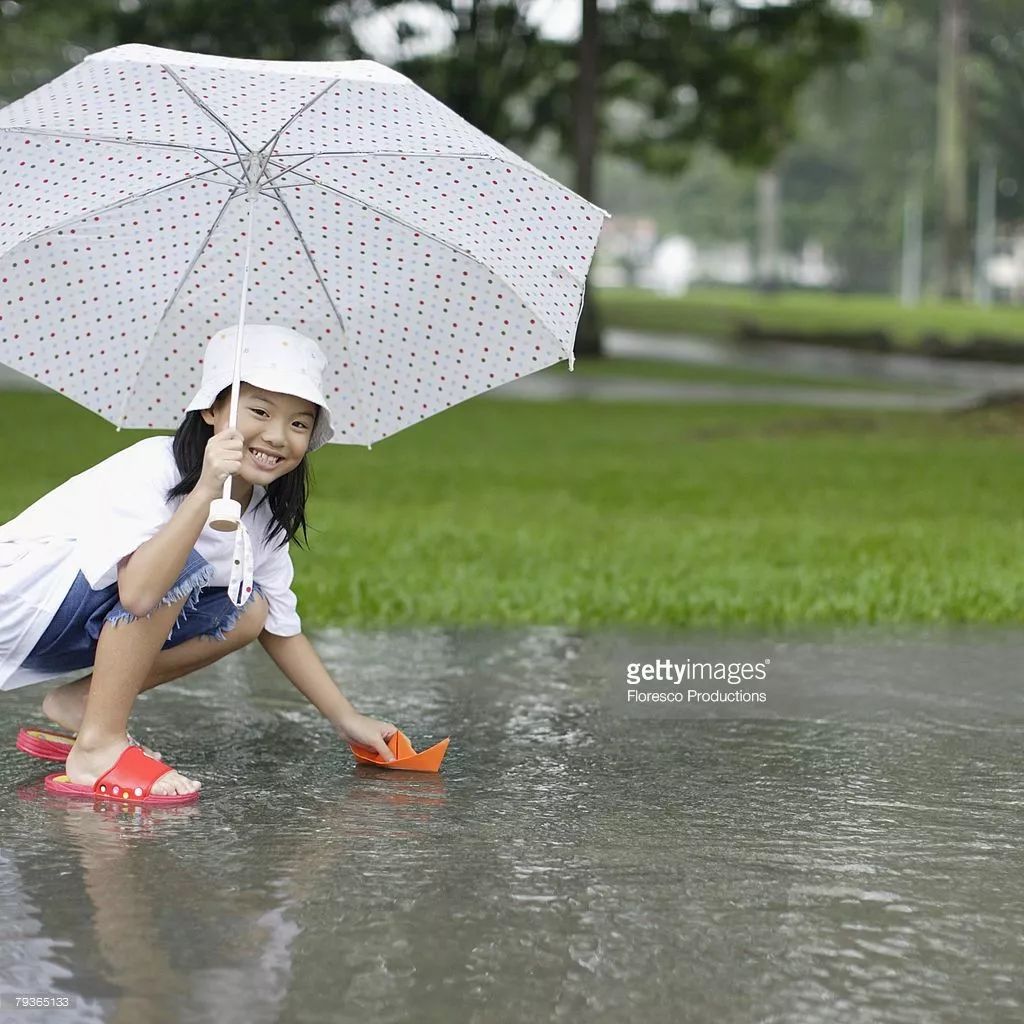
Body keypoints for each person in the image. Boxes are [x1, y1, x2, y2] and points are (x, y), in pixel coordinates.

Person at [0, 324, 398, 802]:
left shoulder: (262, 512)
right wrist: (206, 491)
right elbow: (140, 594)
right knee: (177, 560)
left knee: (250, 608)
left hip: (67, 629)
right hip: (24, 606)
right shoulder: (152, 465)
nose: (276, 436)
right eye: (258, 412)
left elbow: (278, 624)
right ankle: (98, 750)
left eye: (299, 423)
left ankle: (85, 705)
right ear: (212, 410)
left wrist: (347, 718)